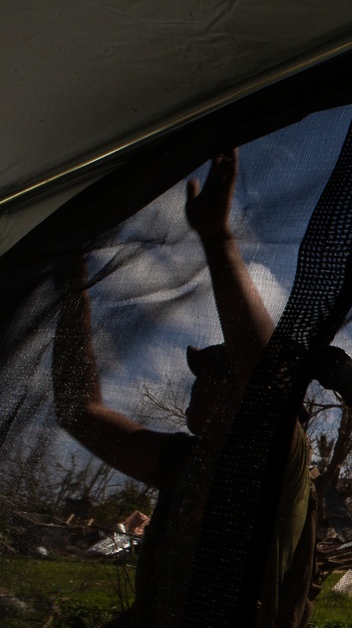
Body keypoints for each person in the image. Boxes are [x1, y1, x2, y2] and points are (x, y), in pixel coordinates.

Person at [51, 150, 317, 627]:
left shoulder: (278, 464)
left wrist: (217, 240)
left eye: (222, 379)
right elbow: (80, 412)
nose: (202, 390)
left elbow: (264, 380)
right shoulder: (187, 462)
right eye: (202, 379)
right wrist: (74, 294)